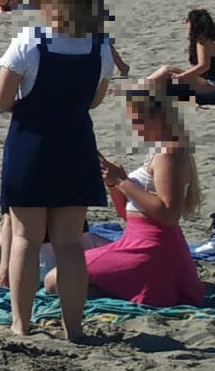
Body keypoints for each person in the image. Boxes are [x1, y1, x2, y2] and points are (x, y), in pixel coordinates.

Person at [0, 0, 114, 340]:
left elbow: (2, 100)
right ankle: (73, 327)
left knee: (27, 239)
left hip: (32, 144)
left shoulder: (30, 41)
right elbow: (95, 99)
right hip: (75, 145)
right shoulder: (99, 46)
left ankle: (21, 323)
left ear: (48, 4)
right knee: (69, 242)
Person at [45, 86, 204, 307]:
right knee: (65, 275)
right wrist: (113, 183)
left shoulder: (169, 155)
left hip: (151, 248)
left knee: (55, 280)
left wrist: (123, 181)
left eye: (139, 119)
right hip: (137, 241)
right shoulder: (160, 151)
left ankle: (138, 289)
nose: (135, 126)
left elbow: (169, 214)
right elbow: (130, 214)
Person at [149, 9, 215, 94]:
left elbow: (204, 66)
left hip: (214, 84)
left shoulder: (203, 42)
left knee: (166, 70)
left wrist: (182, 76)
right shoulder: (207, 40)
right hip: (213, 83)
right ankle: (145, 91)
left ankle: (137, 90)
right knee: (169, 69)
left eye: (188, 21)